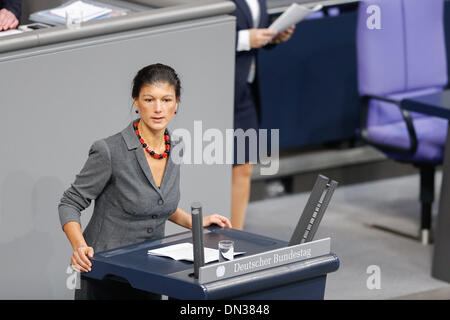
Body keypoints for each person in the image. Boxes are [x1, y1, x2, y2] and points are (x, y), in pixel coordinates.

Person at [58, 63, 232, 300]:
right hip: (107, 272)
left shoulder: (175, 146)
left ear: (176, 104)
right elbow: (70, 202)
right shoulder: (109, 150)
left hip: (151, 270)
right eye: (149, 100)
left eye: (167, 100)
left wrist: (195, 223)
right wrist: (79, 246)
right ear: (136, 103)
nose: (158, 109)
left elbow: (156, 204)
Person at [230, 0, 295, 230]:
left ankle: (233, 238)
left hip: (245, 91)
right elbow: (198, 32)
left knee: (243, 166)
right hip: (218, 89)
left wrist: (273, 34)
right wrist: (245, 39)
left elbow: (251, 22)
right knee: (213, 164)